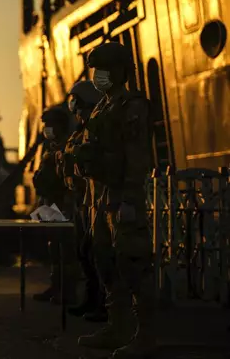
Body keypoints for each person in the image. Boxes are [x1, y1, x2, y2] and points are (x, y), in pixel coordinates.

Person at [73, 42, 155, 358]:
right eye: (96, 71)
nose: (98, 76)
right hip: (101, 194)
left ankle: (145, 336)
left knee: (133, 263)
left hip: (123, 194)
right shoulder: (102, 106)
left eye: (103, 70)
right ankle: (116, 327)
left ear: (120, 72)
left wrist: (131, 199)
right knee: (105, 260)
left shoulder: (132, 106)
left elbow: (136, 156)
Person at [57, 81, 107, 322]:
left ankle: (103, 304)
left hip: (95, 198)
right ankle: (90, 298)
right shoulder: (79, 132)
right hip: (81, 199)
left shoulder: (96, 130)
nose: (73, 108)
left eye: (75, 102)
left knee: (97, 251)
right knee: (84, 251)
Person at [32, 106, 79, 304]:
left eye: (50, 125)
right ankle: (56, 286)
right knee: (53, 248)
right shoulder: (50, 147)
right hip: (49, 203)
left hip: (64, 202)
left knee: (66, 249)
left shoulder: (69, 146)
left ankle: (68, 291)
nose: (47, 129)